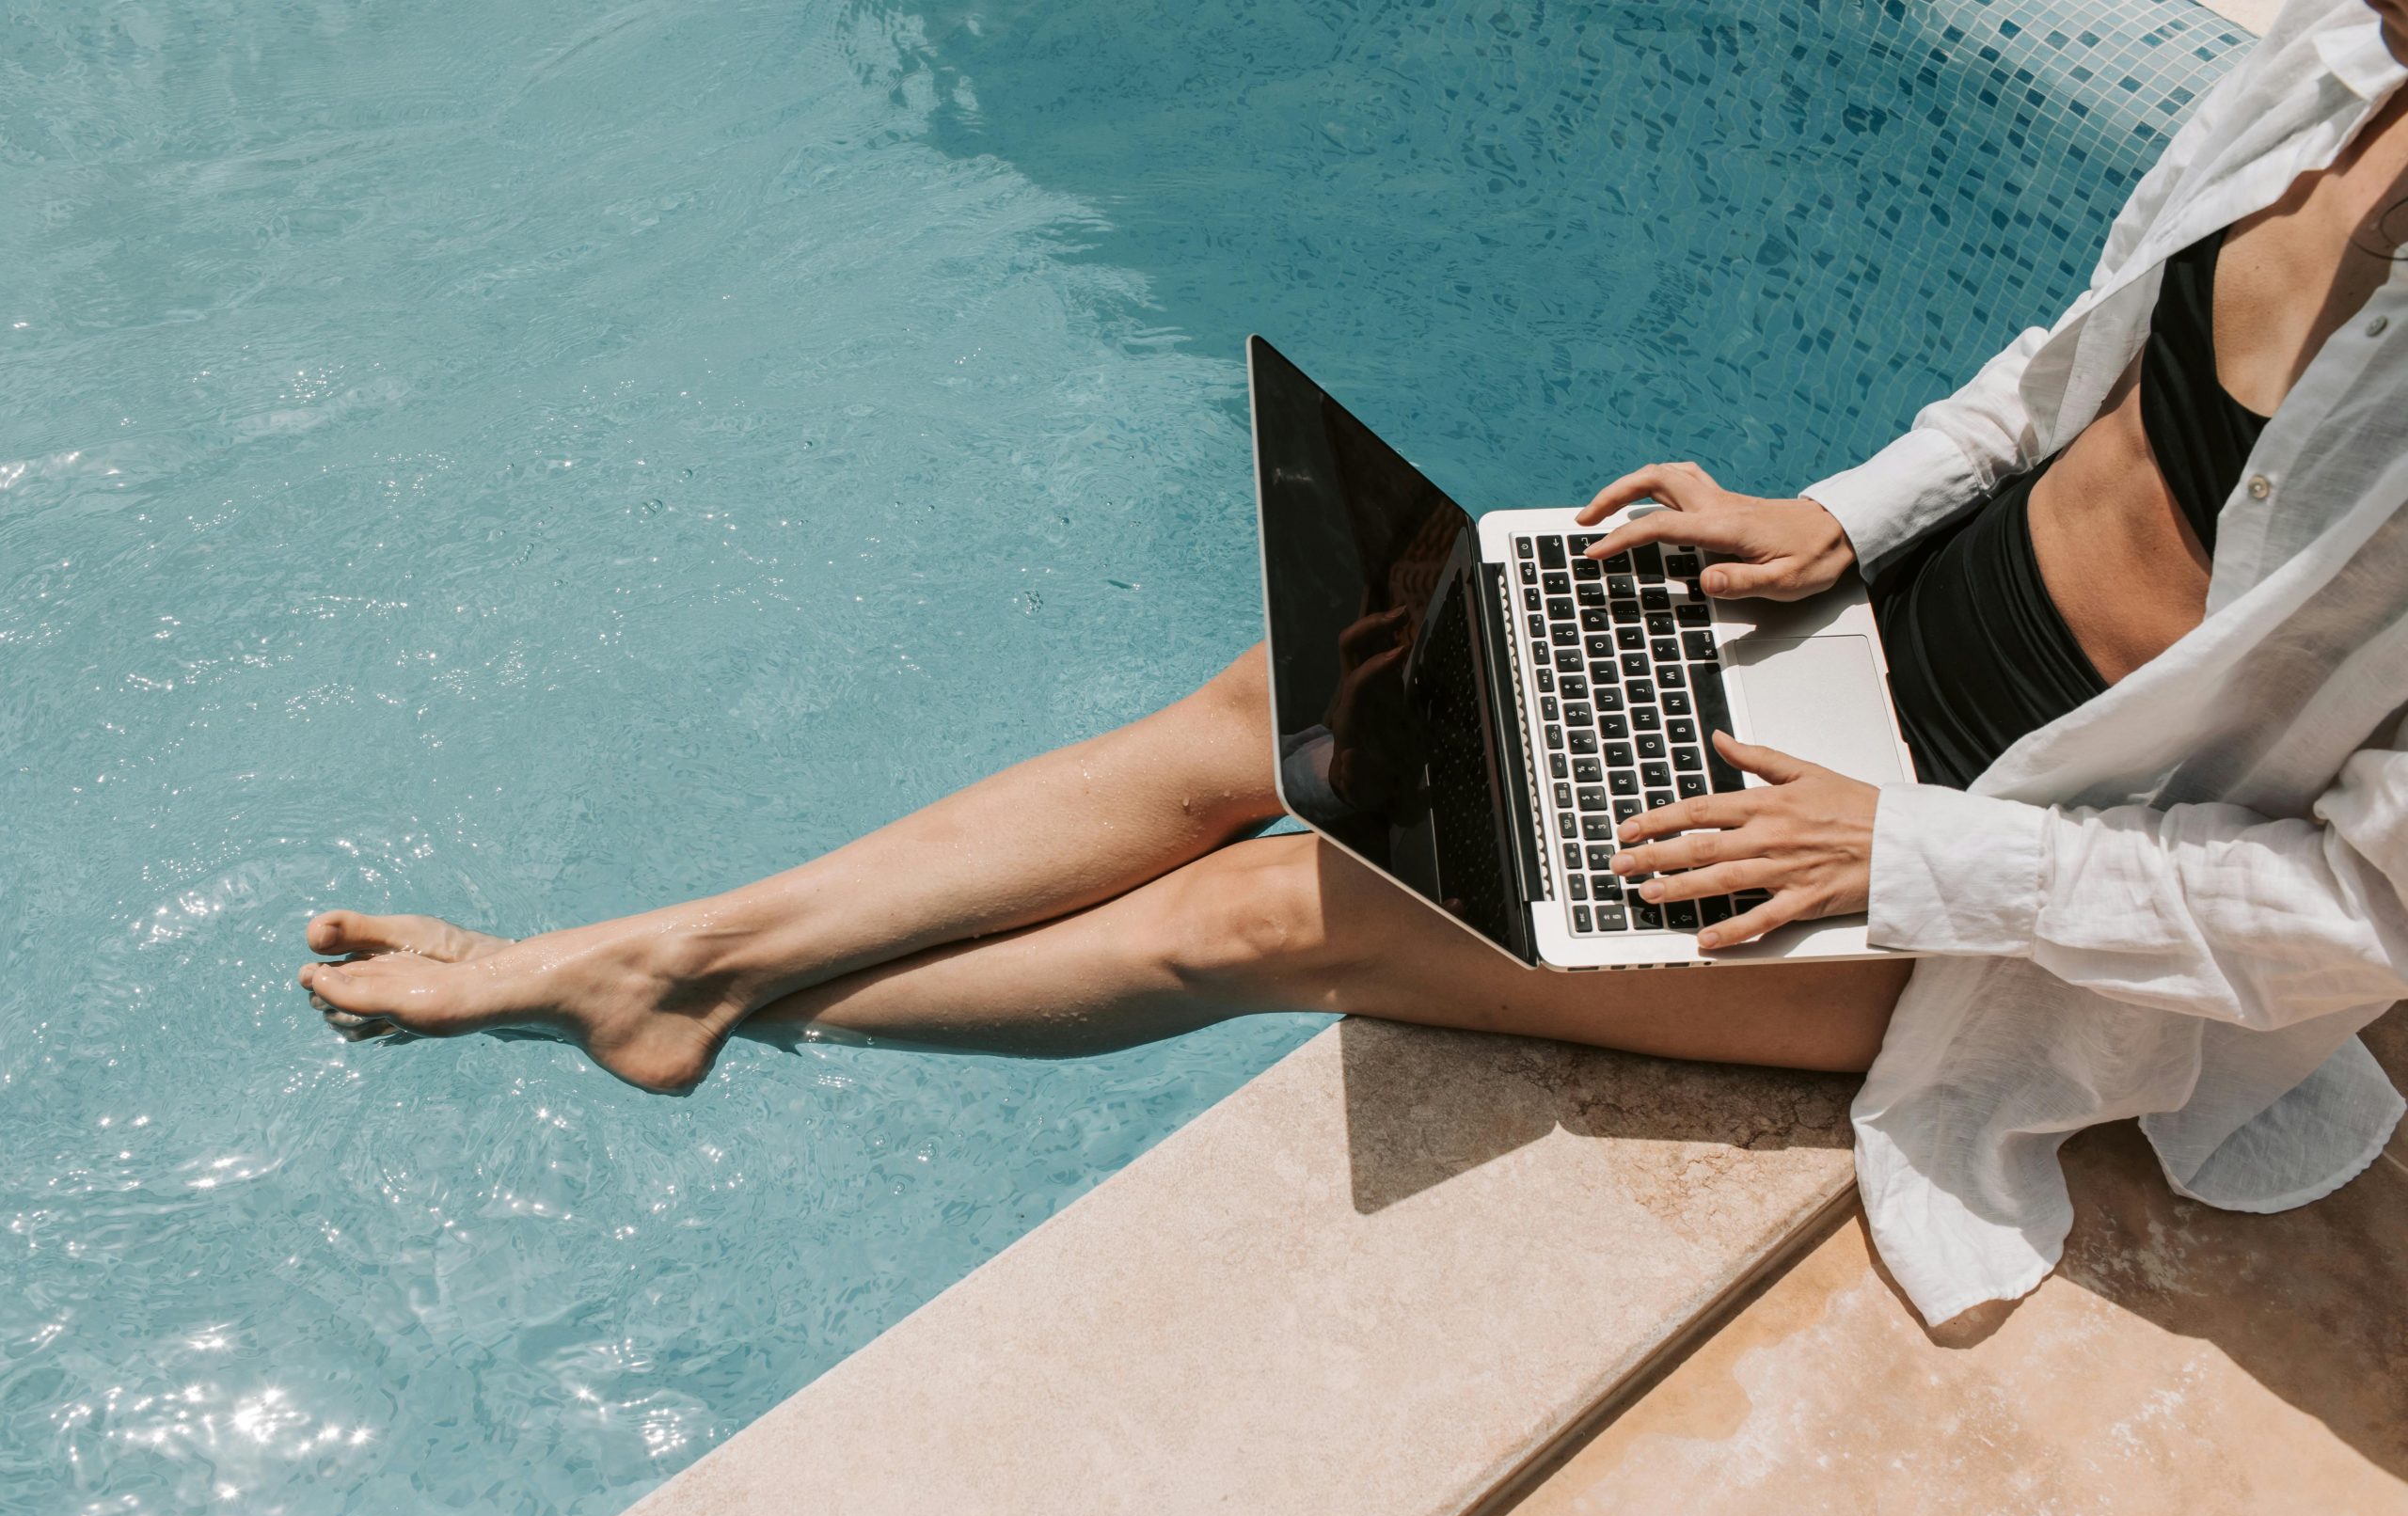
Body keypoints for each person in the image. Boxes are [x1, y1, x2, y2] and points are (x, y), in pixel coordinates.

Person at [301, 0, 2408, 1323]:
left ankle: (671, 990)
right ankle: (657, 961)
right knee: (1278, 696)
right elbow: (2070, 364)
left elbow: (2359, 909)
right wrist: (1842, 516)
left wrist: (1900, 860)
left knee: (1279, 904)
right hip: (1855, 641)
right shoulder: (2331, 68)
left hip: (1985, 889)